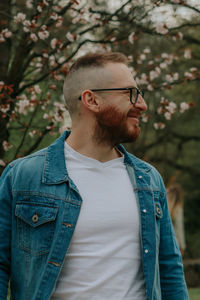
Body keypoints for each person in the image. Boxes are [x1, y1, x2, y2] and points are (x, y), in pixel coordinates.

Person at [0, 52, 189, 300]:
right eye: (130, 93)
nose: (142, 104)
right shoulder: (23, 177)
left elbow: (170, 271)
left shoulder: (149, 180)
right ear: (91, 100)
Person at [167, 183, 186, 256]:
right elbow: (179, 228)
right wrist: (182, 246)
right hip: (174, 243)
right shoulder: (177, 209)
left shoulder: (162, 206)